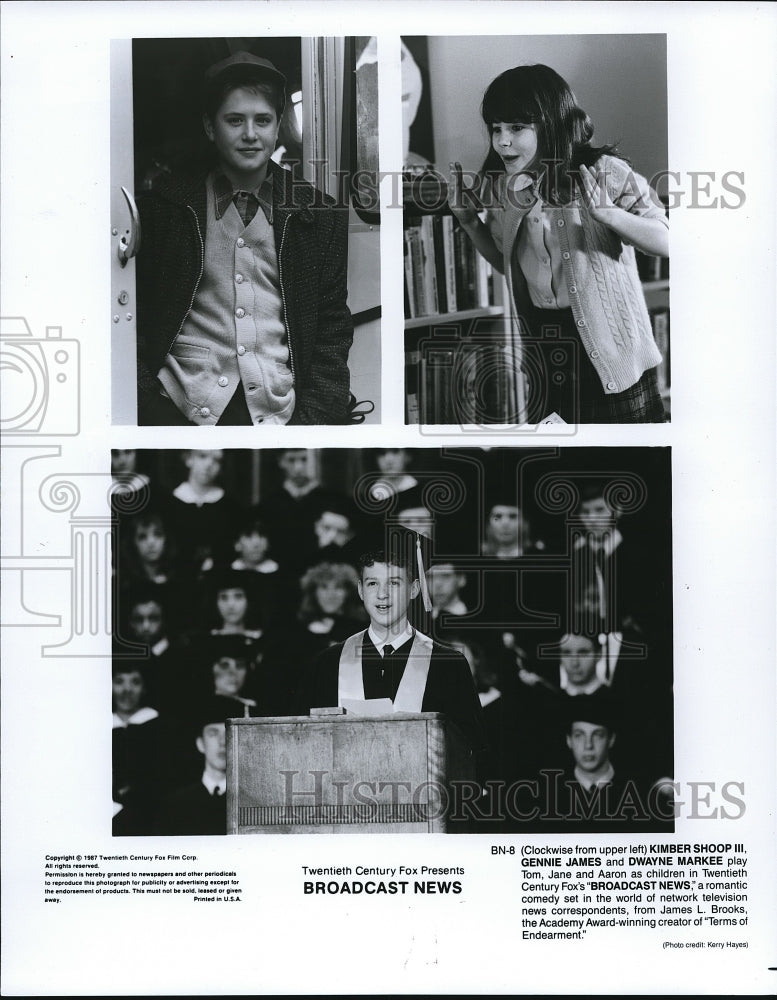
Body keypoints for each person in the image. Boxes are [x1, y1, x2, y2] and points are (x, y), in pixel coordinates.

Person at [136, 51, 354, 426]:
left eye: (263, 120)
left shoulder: (320, 215)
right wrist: (146, 404)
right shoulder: (166, 208)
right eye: (234, 120)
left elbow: (332, 328)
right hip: (177, 407)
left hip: (278, 415)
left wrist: (314, 420)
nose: (250, 134)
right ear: (210, 127)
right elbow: (134, 314)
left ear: (278, 125)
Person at [449, 64, 669, 423]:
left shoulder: (604, 171)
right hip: (548, 350)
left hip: (615, 352)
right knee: (567, 468)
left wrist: (612, 216)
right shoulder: (506, 187)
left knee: (635, 467)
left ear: (551, 122)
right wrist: (471, 224)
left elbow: (667, 241)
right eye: (496, 129)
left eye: (517, 128)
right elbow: (510, 266)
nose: (502, 141)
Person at [296, 538, 486, 755]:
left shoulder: (448, 664)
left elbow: (471, 750)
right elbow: (305, 743)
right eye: (372, 583)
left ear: (414, 589)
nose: (382, 594)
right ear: (360, 590)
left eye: (394, 583)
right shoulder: (328, 663)